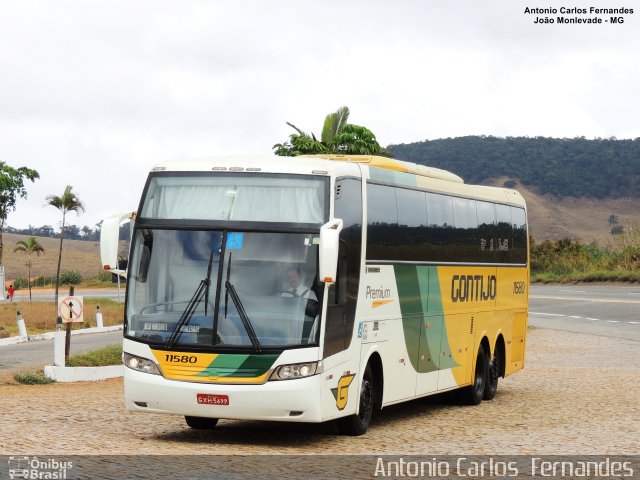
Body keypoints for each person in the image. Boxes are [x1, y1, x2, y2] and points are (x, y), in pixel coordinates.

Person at [281, 267, 319, 343]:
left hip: (303, 326)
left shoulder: (309, 293)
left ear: (300, 276)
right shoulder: (284, 294)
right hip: (286, 328)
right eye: (289, 277)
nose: (291, 279)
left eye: (294, 276)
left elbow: (315, 314)